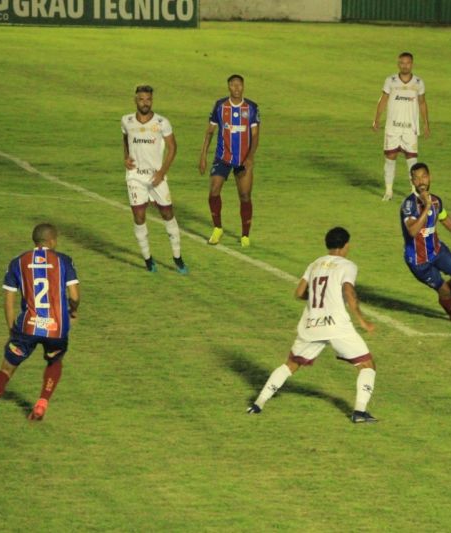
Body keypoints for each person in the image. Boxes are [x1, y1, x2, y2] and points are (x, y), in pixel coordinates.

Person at [247, 227, 378, 423]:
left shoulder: (314, 264)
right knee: (367, 365)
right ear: (345, 245)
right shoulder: (347, 265)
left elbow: (299, 292)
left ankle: (258, 403)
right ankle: (359, 411)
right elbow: (349, 292)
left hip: (311, 325)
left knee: (290, 365)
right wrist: (361, 320)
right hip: (336, 325)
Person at [0, 224, 80, 427]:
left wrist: (11, 329)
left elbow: (8, 300)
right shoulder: (63, 261)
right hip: (56, 328)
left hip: (27, 328)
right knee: (54, 360)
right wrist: (73, 311)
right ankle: (42, 402)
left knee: (6, 369)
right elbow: (74, 296)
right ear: (52, 241)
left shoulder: (18, 262)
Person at [402, 163, 451, 325]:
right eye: (416, 178)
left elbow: (444, 219)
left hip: (437, 250)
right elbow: (412, 231)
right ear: (412, 181)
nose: (421, 181)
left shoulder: (436, 201)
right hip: (419, 260)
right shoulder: (408, 205)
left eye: (424, 176)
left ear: (430, 177)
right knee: (443, 290)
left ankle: (450, 290)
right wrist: (426, 207)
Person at [122, 84, 187, 274]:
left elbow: (173, 147)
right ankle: (148, 259)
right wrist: (125, 158)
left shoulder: (162, 122)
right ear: (136, 100)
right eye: (141, 99)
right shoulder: (126, 120)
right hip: (135, 177)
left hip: (156, 177)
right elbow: (125, 139)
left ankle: (177, 258)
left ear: (152, 100)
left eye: (148, 99)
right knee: (139, 216)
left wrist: (161, 173)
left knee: (168, 214)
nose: (145, 103)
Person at [199, 74, 261, 248]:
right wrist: (203, 155)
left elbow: (255, 136)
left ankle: (245, 235)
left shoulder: (251, 107)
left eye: (239, 85)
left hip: (243, 160)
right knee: (213, 191)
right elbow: (210, 131)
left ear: (243, 87)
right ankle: (217, 228)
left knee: (245, 196)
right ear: (228, 87)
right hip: (223, 157)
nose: (236, 88)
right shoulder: (220, 106)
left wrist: (250, 157)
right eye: (233, 85)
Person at [372, 52, 431, 201]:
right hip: (393, 127)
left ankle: (414, 193)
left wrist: (426, 124)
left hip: (410, 128)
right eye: (402, 63)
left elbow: (422, 103)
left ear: (412, 64)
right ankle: (388, 191)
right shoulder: (390, 81)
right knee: (390, 158)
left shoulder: (418, 83)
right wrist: (376, 119)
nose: (405, 66)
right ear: (398, 64)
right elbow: (383, 100)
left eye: (408, 63)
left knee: (412, 162)